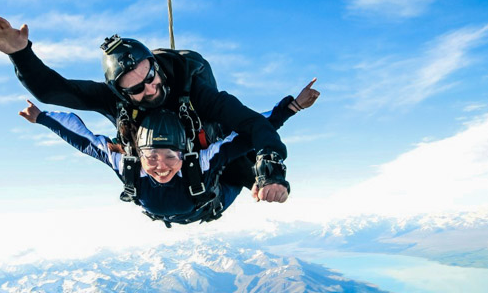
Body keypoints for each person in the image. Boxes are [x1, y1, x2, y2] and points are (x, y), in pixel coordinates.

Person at [0, 16, 292, 203]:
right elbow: (54, 91)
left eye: (151, 77)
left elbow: (253, 124)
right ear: (120, 91)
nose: (151, 89)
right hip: (154, 174)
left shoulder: (196, 92)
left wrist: (269, 172)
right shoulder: (114, 101)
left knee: (241, 166)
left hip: (212, 159)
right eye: (137, 89)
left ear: (155, 65)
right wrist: (22, 55)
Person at [18, 82, 319, 226]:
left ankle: (251, 182)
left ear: (183, 153)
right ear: (140, 153)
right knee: (223, 152)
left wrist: (291, 107)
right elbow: (83, 140)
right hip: (190, 201)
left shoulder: (199, 160)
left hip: (210, 202)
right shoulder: (129, 163)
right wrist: (42, 117)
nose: (160, 167)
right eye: (151, 158)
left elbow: (252, 128)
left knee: (229, 151)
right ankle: (245, 177)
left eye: (169, 157)